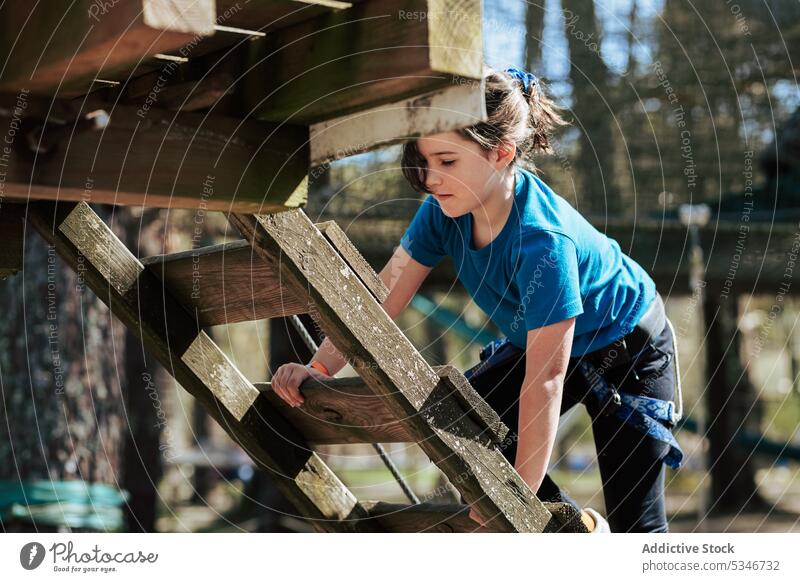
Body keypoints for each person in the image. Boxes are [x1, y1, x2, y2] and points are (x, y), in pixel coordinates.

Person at [270, 66, 683, 533]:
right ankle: (578, 530)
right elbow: (383, 297)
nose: (431, 178)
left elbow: (545, 378)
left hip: (629, 349)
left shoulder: (542, 242)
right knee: (453, 426)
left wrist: (512, 507)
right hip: (542, 343)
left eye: (447, 161)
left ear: (501, 154)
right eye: (425, 161)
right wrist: (320, 367)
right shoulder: (442, 213)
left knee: (638, 527)